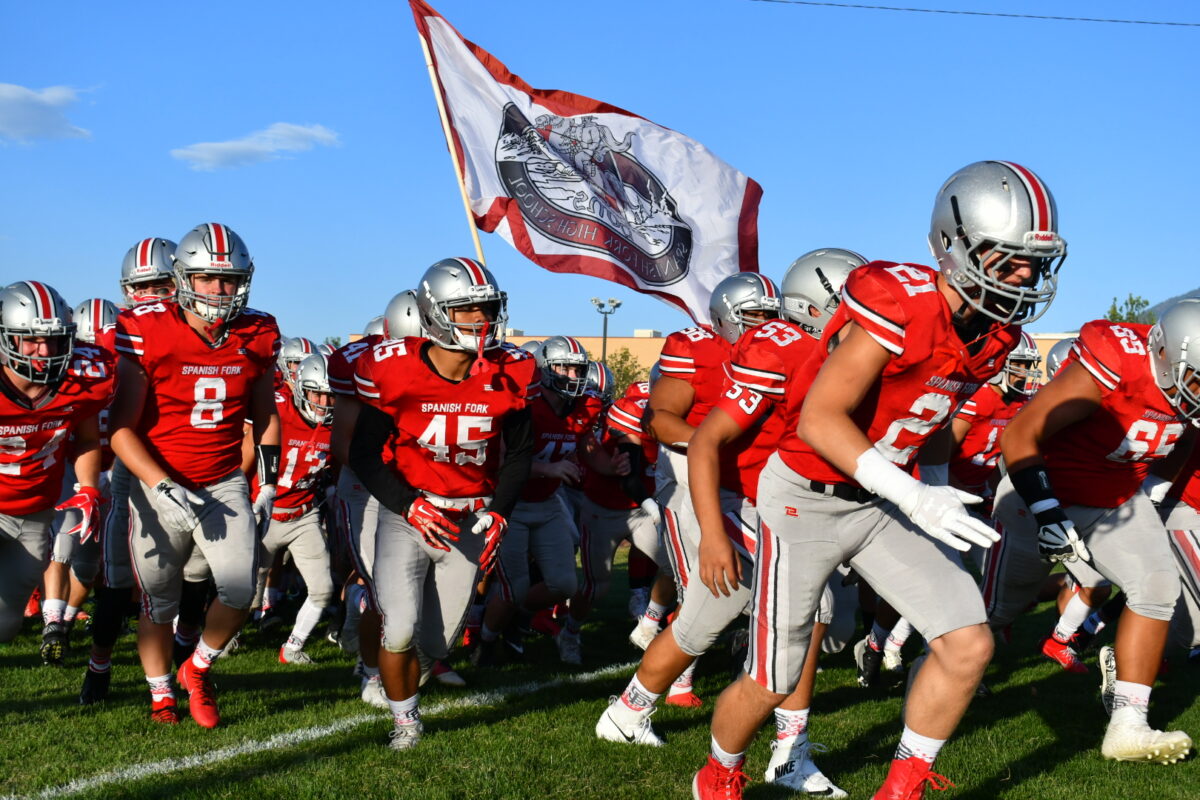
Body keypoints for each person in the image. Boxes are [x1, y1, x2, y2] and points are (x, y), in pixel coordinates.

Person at [694, 161, 1065, 800]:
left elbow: (938, 416)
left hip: (877, 502)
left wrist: (941, 484)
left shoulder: (998, 337)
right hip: (804, 500)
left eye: (1034, 262)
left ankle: (902, 788)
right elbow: (819, 419)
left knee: (969, 642)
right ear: (954, 246)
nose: (1025, 277)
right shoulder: (900, 302)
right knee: (774, 674)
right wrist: (916, 496)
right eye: (1007, 260)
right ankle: (719, 772)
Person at [991, 301, 1199, 764]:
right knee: (1002, 606)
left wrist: (1154, 493)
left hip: (1114, 499)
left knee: (1156, 589)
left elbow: (1184, 437)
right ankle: (942, 659)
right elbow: (1020, 435)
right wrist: (1047, 513)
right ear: (1165, 355)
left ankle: (1128, 725)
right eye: (1198, 380)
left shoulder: (1182, 384)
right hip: (1041, 488)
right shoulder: (1116, 361)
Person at [349, 257, 537, 750]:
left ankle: (421, 672)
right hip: (409, 513)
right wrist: (409, 505)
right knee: (400, 627)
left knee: (436, 642)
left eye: (487, 308)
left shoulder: (511, 371)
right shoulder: (393, 369)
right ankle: (405, 723)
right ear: (433, 314)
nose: (480, 320)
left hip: (469, 517)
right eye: (466, 309)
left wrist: (500, 510)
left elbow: (519, 453)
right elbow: (365, 455)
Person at [111, 223, 280, 727]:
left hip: (223, 477)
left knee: (238, 589)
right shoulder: (145, 327)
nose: (219, 290)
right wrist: (159, 485)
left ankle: (197, 668)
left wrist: (267, 482)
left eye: (229, 280)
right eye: (208, 278)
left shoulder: (259, 330)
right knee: (159, 599)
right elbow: (120, 428)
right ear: (183, 277)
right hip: (157, 475)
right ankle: (160, 692)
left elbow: (266, 414)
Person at [1, 282, 113, 646]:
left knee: (6, 625)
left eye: (54, 339)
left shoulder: (82, 379)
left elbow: (84, 439)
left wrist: (89, 489)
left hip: (35, 513)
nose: (44, 351)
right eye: (30, 339)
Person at [252, 353, 336, 664]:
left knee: (323, 589)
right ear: (300, 389)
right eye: (318, 393)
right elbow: (246, 458)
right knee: (243, 593)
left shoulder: (337, 422)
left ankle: (293, 647)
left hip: (303, 515)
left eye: (331, 395)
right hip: (266, 514)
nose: (325, 402)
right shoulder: (277, 411)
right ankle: (225, 639)